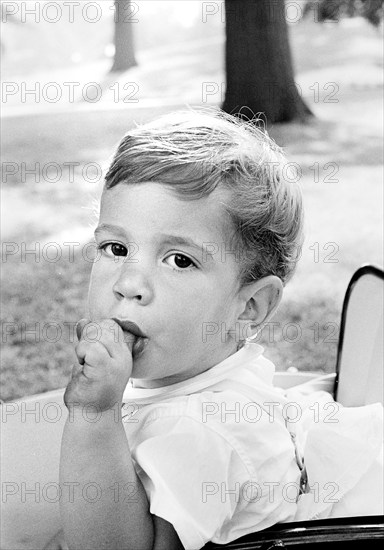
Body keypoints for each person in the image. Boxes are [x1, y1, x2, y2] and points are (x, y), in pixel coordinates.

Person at [44, 109, 383, 550]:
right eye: (116, 247)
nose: (129, 284)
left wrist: (93, 418)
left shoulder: (203, 433)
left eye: (180, 260)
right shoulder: (187, 375)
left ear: (249, 307)